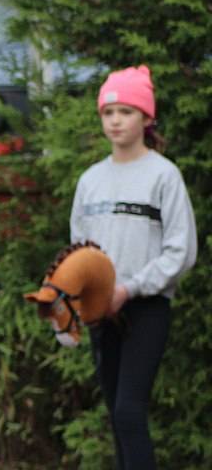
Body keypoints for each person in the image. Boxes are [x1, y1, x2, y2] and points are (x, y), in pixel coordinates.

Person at [70, 65, 197, 469]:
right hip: (100, 314)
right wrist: (79, 297)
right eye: (108, 113)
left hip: (145, 309)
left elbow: (182, 251)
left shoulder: (164, 175)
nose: (116, 121)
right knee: (116, 414)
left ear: (146, 117)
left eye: (125, 111)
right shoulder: (90, 181)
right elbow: (78, 252)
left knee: (128, 410)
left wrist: (128, 288)